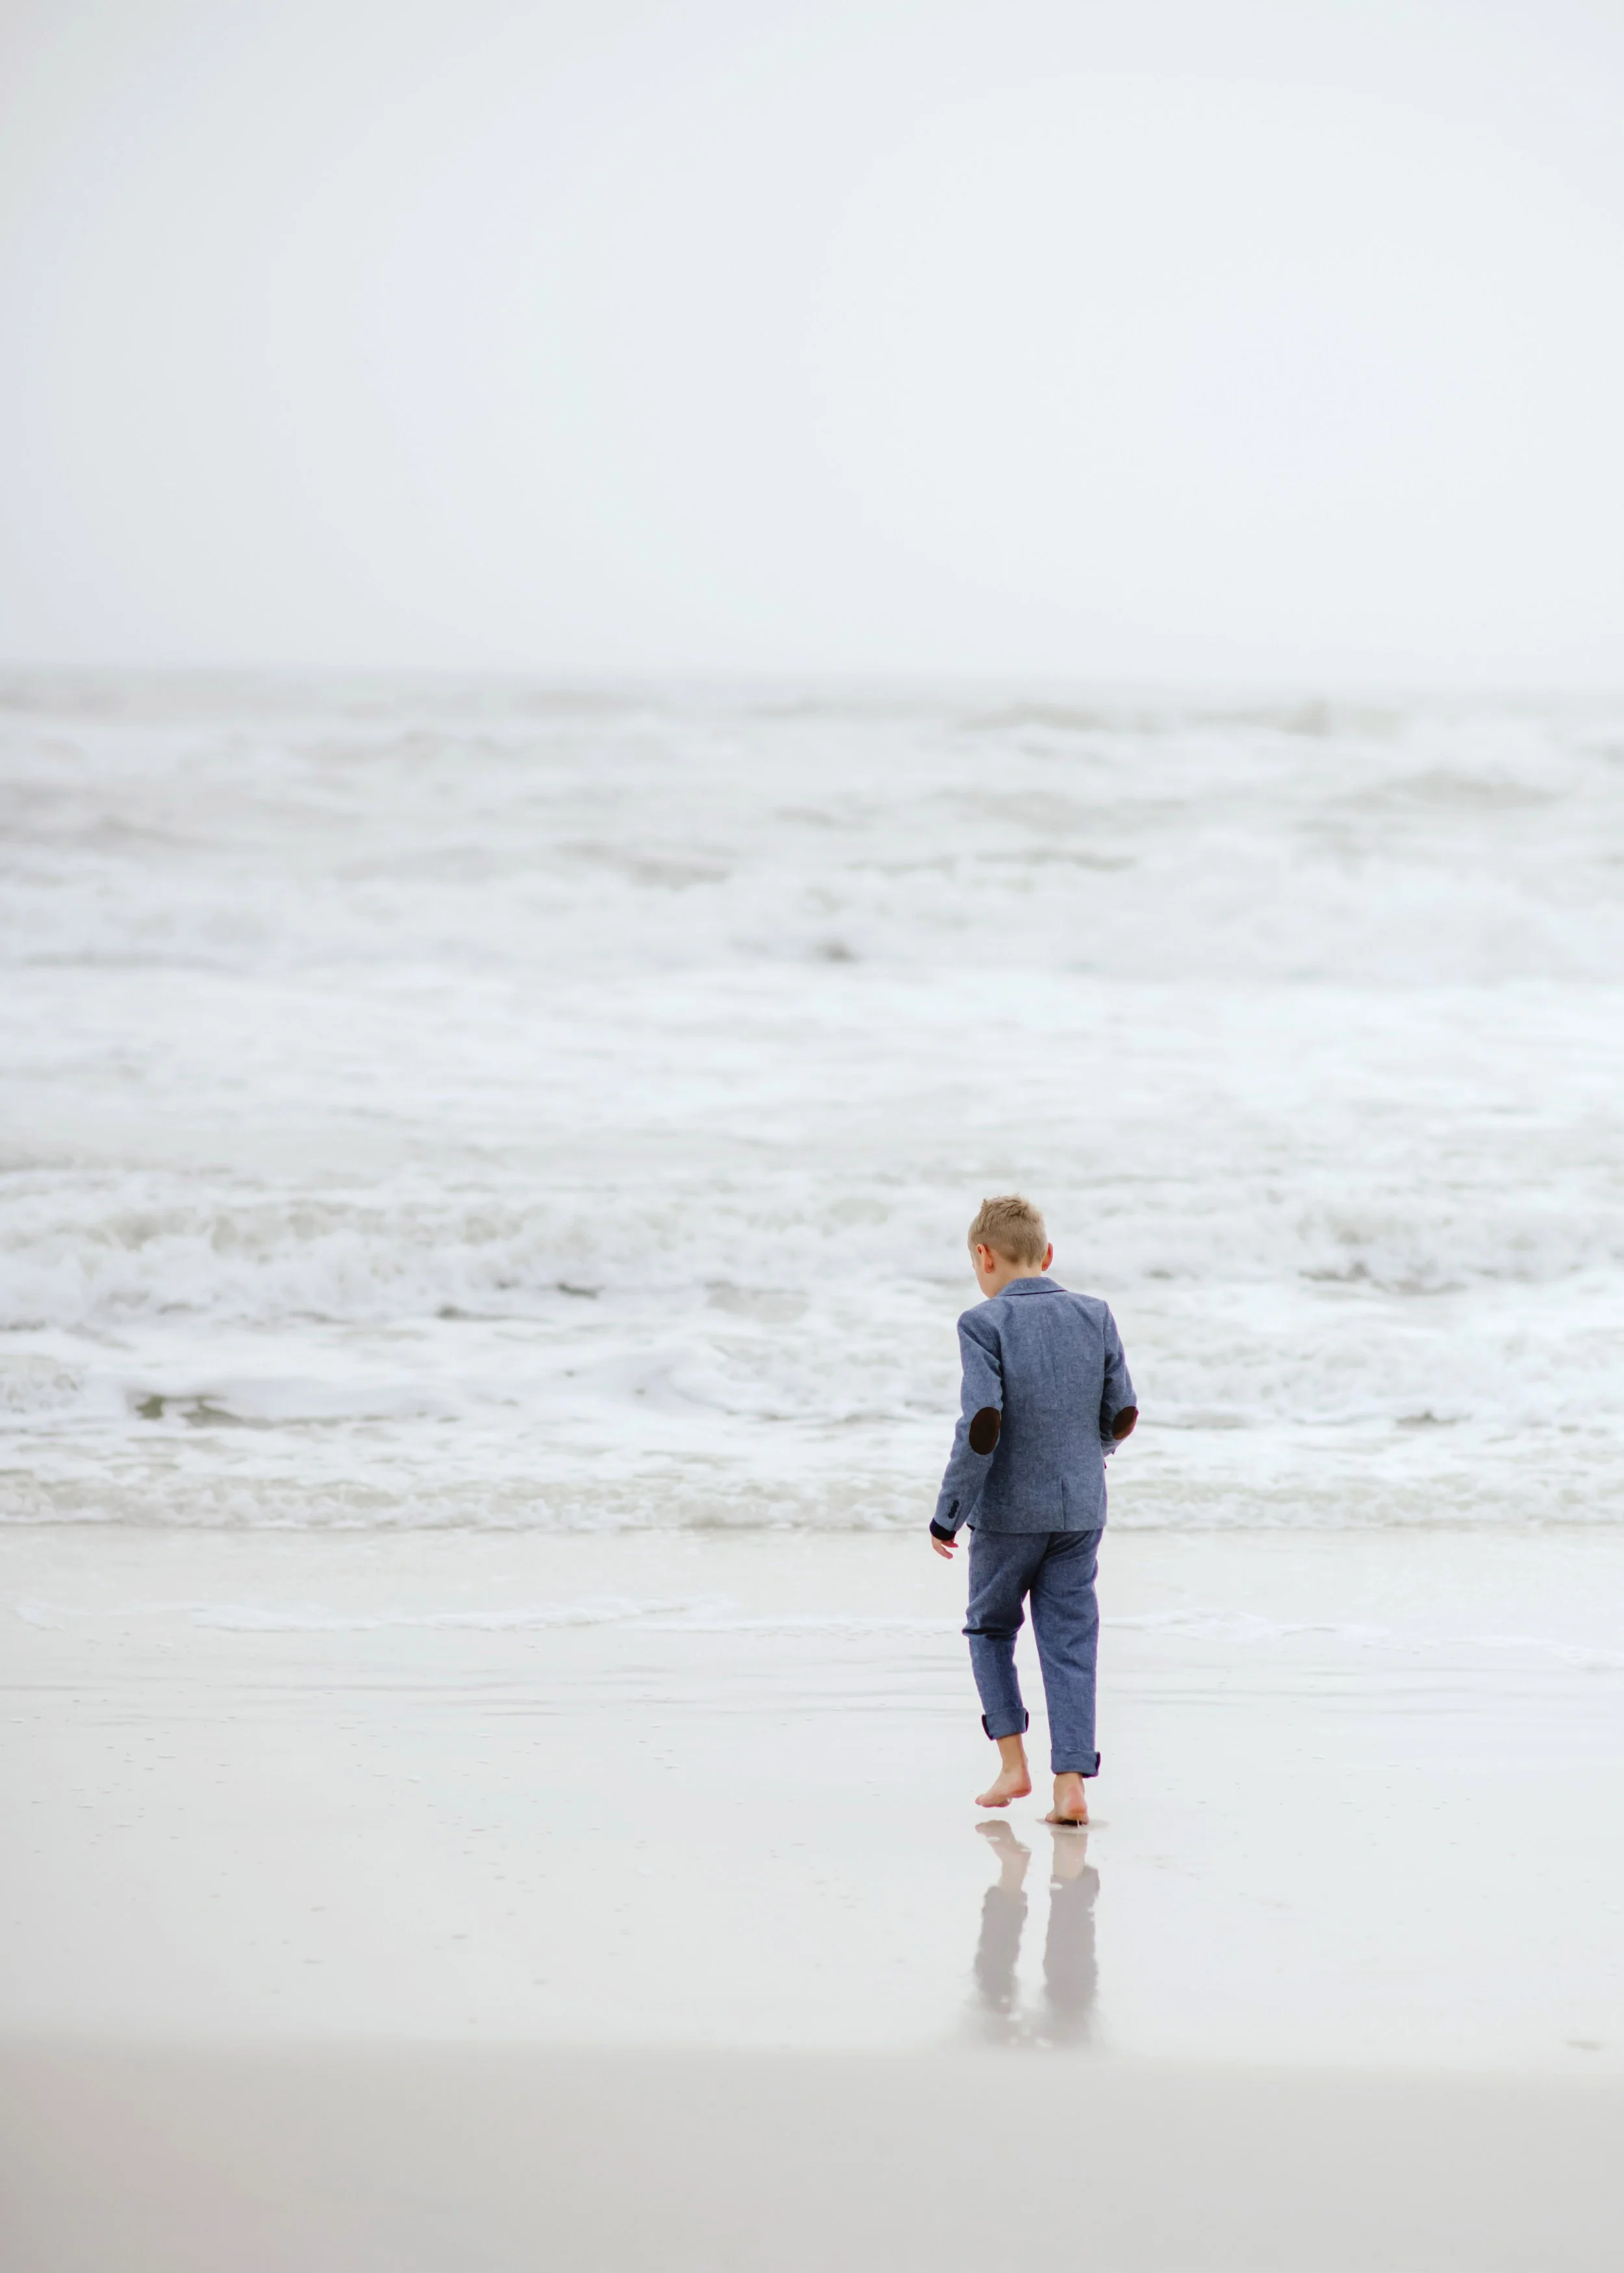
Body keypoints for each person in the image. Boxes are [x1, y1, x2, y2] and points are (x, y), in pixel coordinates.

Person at [930, 1195, 1137, 1825]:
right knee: (1070, 1639)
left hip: (1008, 1514)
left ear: (982, 1256)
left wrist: (949, 1510)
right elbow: (1123, 1413)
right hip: (1080, 1509)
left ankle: (1013, 1764)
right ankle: (1071, 1780)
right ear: (1047, 1256)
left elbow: (983, 1425)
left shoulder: (982, 1323)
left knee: (990, 1629)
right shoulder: (1095, 1315)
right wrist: (1088, 1454)